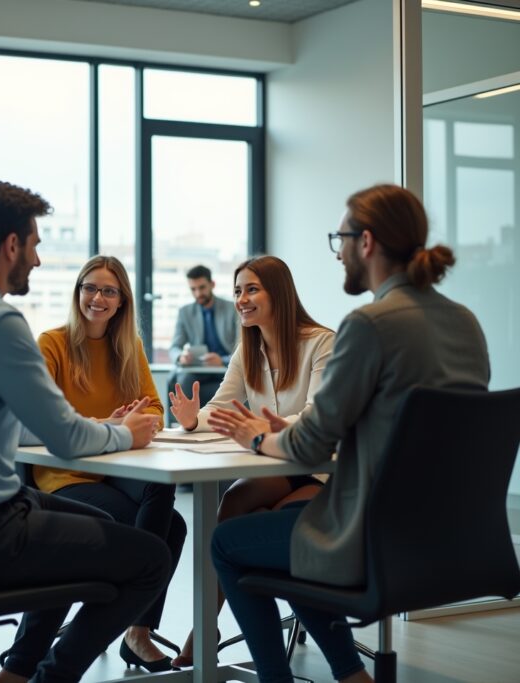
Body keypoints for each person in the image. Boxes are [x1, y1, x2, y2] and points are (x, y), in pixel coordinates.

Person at [0, 182, 172, 683]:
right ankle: (49, 679)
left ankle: (16, 673)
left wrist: (100, 427)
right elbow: (66, 440)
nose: (39, 261)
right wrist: (125, 433)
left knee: (88, 529)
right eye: (36, 244)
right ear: (10, 247)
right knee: (150, 556)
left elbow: (18, 428)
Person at [207, 184, 490, 683]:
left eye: (339, 238)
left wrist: (256, 436)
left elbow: (311, 443)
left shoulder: (369, 325)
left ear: (367, 242)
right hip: (446, 537)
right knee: (284, 533)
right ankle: (349, 674)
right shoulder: (465, 322)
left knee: (229, 542)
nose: (337, 252)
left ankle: (278, 678)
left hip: (371, 535)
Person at [167, 255, 334, 667]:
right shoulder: (248, 349)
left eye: (251, 289)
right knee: (234, 507)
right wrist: (193, 419)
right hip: (273, 467)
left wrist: (262, 430)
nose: (241, 299)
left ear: (278, 292)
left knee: (262, 525)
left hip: (319, 469)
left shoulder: (321, 342)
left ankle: (220, 633)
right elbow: (221, 408)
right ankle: (208, 624)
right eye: (238, 290)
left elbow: (317, 417)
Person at [34, 255, 187, 673]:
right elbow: (44, 418)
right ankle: (125, 626)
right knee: (170, 528)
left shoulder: (128, 347)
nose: (97, 297)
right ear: (78, 292)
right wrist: (111, 424)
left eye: (108, 291)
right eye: (89, 287)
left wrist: (140, 419)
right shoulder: (52, 343)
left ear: (121, 301)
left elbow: (154, 407)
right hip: (65, 474)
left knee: (164, 488)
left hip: (116, 468)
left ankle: (131, 629)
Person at [168, 265, 239, 407]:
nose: (198, 293)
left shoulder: (232, 309)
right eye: (193, 289)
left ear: (212, 284)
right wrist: (181, 357)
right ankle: (188, 424)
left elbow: (242, 346)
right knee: (182, 380)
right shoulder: (185, 312)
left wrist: (222, 360)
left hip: (227, 367)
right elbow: (175, 347)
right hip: (198, 369)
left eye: (202, 287)